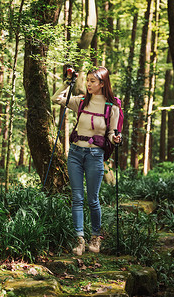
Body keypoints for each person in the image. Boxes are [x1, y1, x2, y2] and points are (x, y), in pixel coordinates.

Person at [51, 66, 122, 256]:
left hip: (95, 156)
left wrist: (115, 139)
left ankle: (95, 238)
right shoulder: (81, 101)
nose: (88, 84)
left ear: (102, 83)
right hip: (75, 153)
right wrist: (68, 82)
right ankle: (79, 239)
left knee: (92, 200)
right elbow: (56, 99)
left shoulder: (112, 107)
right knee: (76, 198)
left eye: (93, 81)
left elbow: (111, 133)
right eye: (88, 80)